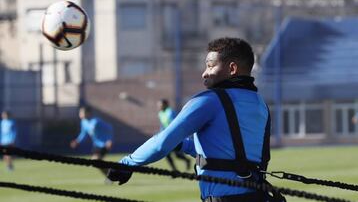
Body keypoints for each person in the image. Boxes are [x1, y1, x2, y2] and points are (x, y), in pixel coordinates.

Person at [107, 38, 284, 201]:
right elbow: (227, 154)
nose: (204, 73)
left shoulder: (208, 101)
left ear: (232, 69)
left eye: (210, 66)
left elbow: (162, 142)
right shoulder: (260, 104)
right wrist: (183, 145)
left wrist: (127, 163)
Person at [70, 106, 113, 177]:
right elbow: (83, 133)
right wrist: (77, 141)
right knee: (95, 163)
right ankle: (110, 174)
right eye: (80, 112)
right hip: (96, 145)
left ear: (88, 113)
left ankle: (111, 173)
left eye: (82, 112)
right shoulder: (83, 122)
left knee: (95, 160)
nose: (80, 114)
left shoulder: (96, 121)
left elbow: (109, 128)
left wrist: (109, 140)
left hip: (104, 144)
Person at [157, 99, 191, 171]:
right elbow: (162, 125)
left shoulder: (170, 112)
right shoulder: (160, 113)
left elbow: (174, 124)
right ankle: (175, 170)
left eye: (161, 105)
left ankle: (187, 160)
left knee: (177, 155)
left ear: (166, 105)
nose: (159, 106)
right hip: (167, 136)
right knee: (166, 153)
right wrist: (160, 134)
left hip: (173, 136)